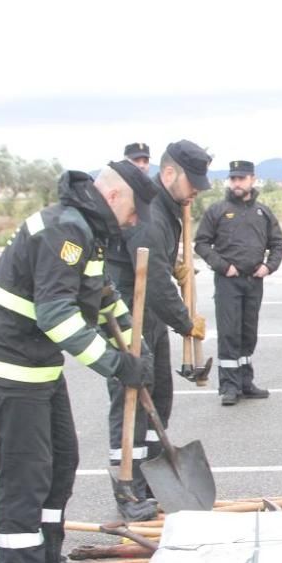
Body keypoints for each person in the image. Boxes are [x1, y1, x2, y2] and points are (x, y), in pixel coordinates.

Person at [0, 164, 156, 563]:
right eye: (134, 211)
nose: (134, 222)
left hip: (35, 367)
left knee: (61, 463)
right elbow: (57, 315)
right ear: (115, 197)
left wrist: (138, 345)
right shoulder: (65, 231)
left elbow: (103, 297)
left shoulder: (86, 229)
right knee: (25, 476)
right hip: (8, 367)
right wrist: (116, 365)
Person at [106, 140, 211, 511]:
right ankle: (127, 487)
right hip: (127, 314)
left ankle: (150, 476)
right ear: (169, 174)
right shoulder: (150, 214)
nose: (196, 190)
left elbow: (159, 266)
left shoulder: (171, 209)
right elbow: (151, 280)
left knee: (159, 396)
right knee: (131, 401)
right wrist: (184, 322)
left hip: (148, 315)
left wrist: (175, 263)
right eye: (192, 182)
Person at [195, 160, 282, 405]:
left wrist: (269, 266)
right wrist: (224, 266)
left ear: (252, 180)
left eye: (241, 178)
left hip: (253, 282)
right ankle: (229, 386)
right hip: (228, 282)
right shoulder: (218, 210)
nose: (237, 183)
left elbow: (278, 245)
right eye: (233, 178)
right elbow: (201, 243)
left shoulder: (263, 212)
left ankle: (245, 382)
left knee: (248, 334)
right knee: (229, 334)